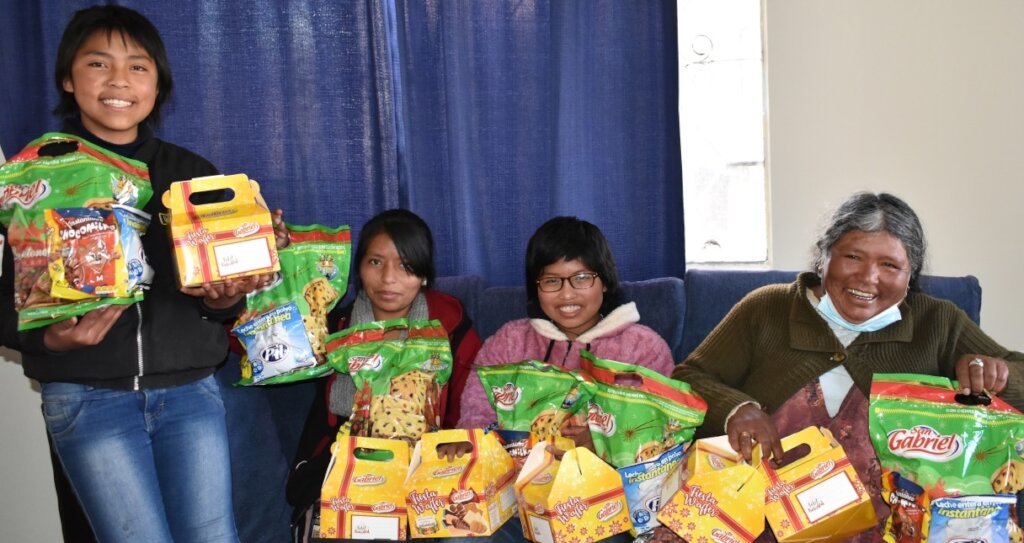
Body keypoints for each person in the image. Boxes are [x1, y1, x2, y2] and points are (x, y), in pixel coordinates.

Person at [0, 6, 284, 542]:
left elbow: (218, 300)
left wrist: (225, 299)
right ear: (67, 77)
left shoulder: (193, 175)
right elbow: (8, 302)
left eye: (138, 67)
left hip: (190, 394)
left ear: (158, 84)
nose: (118, 82)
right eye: (98, 64)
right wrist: (52, 339)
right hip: (87, 399)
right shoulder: (38, 175)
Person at [666, 191, 1024, 541]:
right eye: (853, 257)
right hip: (760, 517)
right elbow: (689, 377)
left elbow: (1015, 373)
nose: (868, 277)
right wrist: (736, 409)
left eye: (889, 265)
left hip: (891, 523)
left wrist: (994, 372)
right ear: (823, 257)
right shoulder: (766, 308)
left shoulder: (938, 322)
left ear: (910, 274)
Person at [286, 208, 482, 542]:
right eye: (375, 262)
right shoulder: (334, 325)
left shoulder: (448, 323)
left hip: (425, 467)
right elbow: (262, 353)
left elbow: (472, 401)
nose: (388, 278)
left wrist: (459, 440)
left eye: (405, 266)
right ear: (359, 269)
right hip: (342, 464)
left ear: (423, 275)